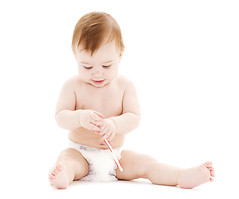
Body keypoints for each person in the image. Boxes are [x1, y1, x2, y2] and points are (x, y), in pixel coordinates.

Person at [49, 12, 215, 189]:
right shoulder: (73, 86)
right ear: (75, 57)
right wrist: (80, 118)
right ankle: (64, 175)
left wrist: (114, 124)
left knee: (144, 162)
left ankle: (180, 175)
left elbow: (133, 117)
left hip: (116, 157)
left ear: (120, 55)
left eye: (106, 65)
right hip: (81, 153)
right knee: (67, 159)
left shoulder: (124, 86)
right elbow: (61, 116)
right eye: (87, 66)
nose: (97, 73)